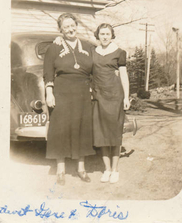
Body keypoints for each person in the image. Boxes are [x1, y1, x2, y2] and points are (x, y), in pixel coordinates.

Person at [43, 13, 95, 186]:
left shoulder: (88, 47)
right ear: (60, 30)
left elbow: (96, 70)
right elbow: (48, 72)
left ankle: (81, 169)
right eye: (66, 27)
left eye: (72, 25)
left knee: (82, 128)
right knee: (61, 129)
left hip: (82, 93)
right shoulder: (54, 48)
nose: (70, 29)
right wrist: (49, 93)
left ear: (76, 26)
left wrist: (93, 88)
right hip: (62, 92)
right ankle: (60, 170)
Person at [92, 23, 130, 184]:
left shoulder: (119, 52)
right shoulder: (92, 52)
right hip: (98, 97)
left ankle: (115, 170)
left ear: (112, 35)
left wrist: (126, 97)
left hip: (115, 97)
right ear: (98, 35)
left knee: (114, 134)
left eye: (108, 34)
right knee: (101, 135)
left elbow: (123, 76)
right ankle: (106, 169)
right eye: (102, 34)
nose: (105, 36)